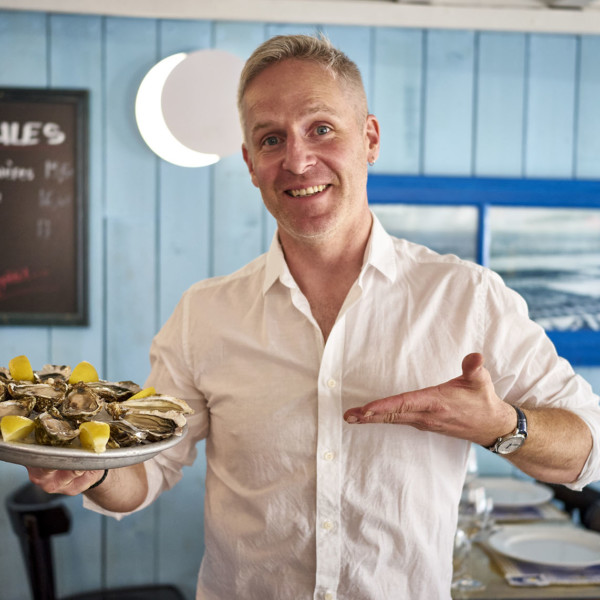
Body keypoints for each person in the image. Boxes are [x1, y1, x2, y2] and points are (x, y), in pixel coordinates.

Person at [28, 34, 600, 599]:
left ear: (370, 138)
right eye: (271, 139)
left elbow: (589, 448)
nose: (298, 160)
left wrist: (502, 427)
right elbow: (148, 471)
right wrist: (93, 471)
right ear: (251, 164)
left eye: (321, 129)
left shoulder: (467, 297)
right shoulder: (205, 313)